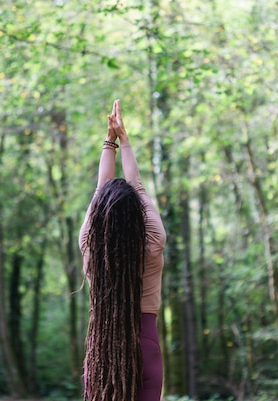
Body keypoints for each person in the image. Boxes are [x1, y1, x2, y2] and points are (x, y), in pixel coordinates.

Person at [79, 99, 166, 401]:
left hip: (104, 349)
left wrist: (110, 142)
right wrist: (123, 139)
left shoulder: (90, 247)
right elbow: (137, 185)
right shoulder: (153, 243)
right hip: (145, 345)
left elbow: (100, 188)